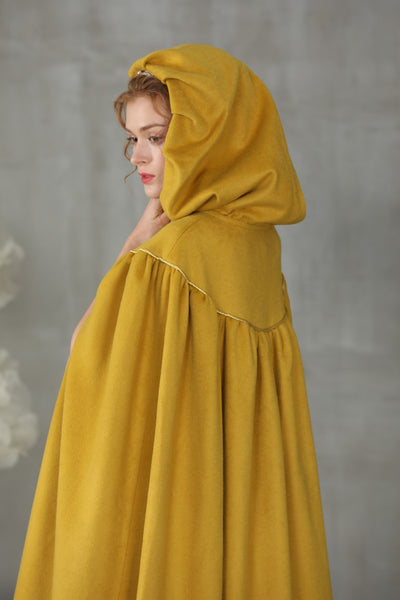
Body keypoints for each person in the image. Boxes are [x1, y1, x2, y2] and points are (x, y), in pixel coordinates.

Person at [14, 44, 332, 599]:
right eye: (133, 138)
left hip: (180, 513)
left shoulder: (173, 255)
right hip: (242, 514)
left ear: (210, 137)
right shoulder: (261, 246)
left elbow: (88, 356)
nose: (139, 156)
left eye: (157, 138)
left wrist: (136, 242)